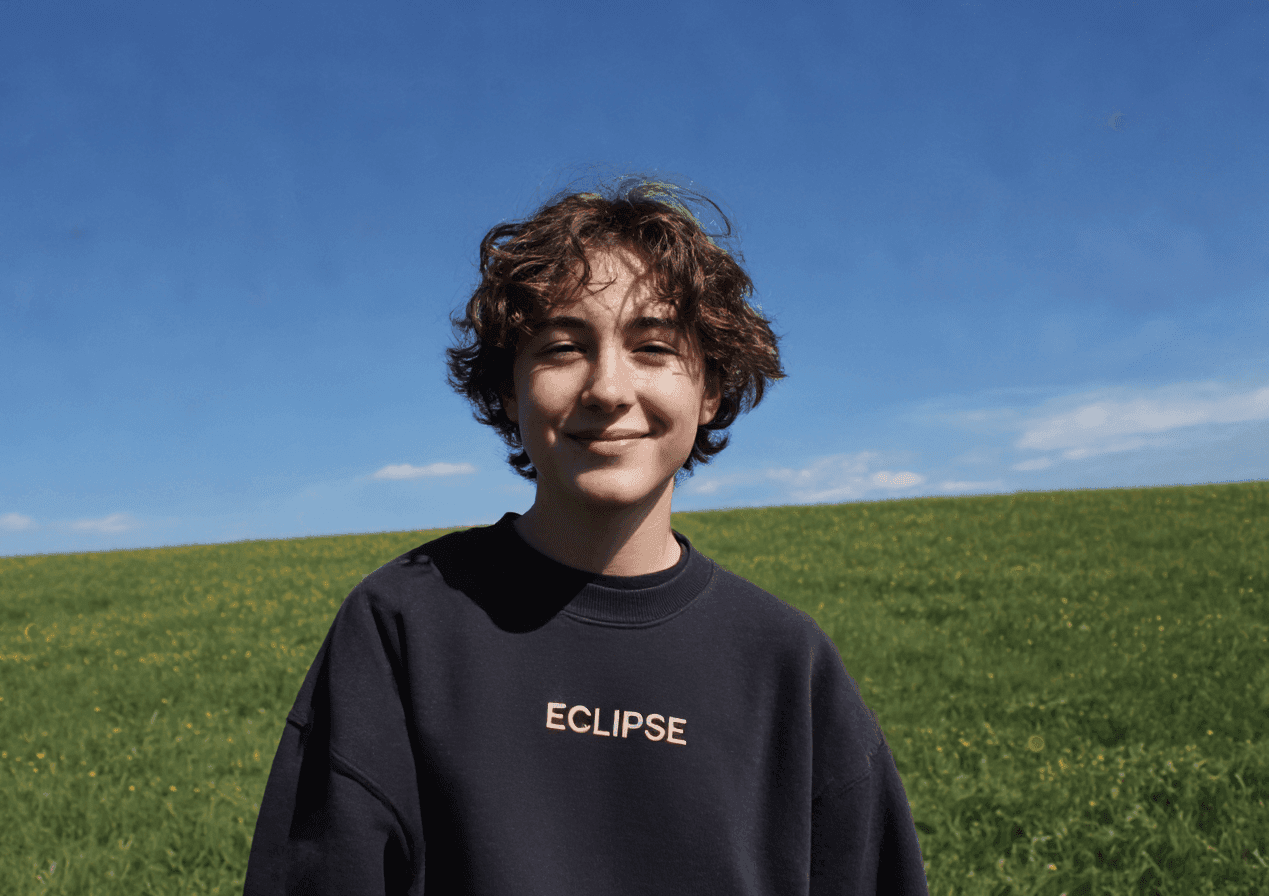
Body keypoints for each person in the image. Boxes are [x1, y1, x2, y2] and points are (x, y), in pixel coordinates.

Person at [243, 178, 929, 895]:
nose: (607, 387)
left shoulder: (788, 663)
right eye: (564, 348)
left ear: (712, 389)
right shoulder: (402, 626)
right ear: (509, 390)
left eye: (654, 347)